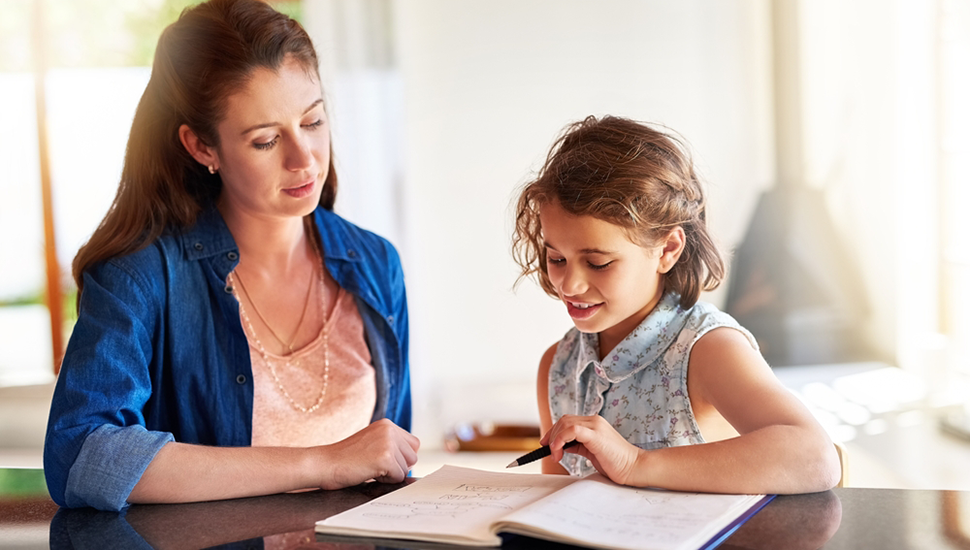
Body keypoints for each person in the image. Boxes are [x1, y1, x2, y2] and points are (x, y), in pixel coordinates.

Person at [43, 0, 418, 512]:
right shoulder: (142, 275)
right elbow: (81, 456)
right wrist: (322, 462)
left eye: (312, 122)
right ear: (202, 147)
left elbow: (390, 464)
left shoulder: (375, 263)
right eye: (266, 140)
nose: (303, 158)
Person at [511, 115, 841, 494]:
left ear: (667, 250)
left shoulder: (706, 350)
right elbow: (553, 506)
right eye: (556, 259)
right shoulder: (557, 366)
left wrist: (636, 463)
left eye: (598, 262)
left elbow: (815, 457)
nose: (570, 283)